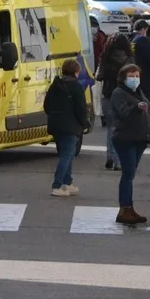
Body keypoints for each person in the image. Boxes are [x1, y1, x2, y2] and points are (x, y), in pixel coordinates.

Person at [109, 64, 150, 224]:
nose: (135, 79)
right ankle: (125, 209)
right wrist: (136, 107)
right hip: (125, 138)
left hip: (139, 139)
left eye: (137, 76)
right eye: (131, 76)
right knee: (128, 174)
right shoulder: (118, 93)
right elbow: (123, 112)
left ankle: (129, 209)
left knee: (131, 173)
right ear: (123, 78)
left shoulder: (137, 92)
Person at [44, 59, 90, 197]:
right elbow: (81, 109)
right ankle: (57, 185)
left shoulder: (55, 85)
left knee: (67, 154)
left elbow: (46, 106)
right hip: (71, 125)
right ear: (76, 72)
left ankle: (67, 182)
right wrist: (84, 123)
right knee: (66, 155)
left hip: (56, 125)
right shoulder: (76, 87)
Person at [100, 34, 134, 171]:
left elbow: (99, 76)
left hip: (108, 94)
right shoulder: (129, 59)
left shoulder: (105, 57)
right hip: (124, 96)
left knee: (111, 128)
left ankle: (110, 156)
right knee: (123, 129)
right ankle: (118, 161)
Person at [131, 20, 150, 145]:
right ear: (144, 29)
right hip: (146, 79)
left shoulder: (131, 39)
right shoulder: (142, 40)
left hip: (133, 78)